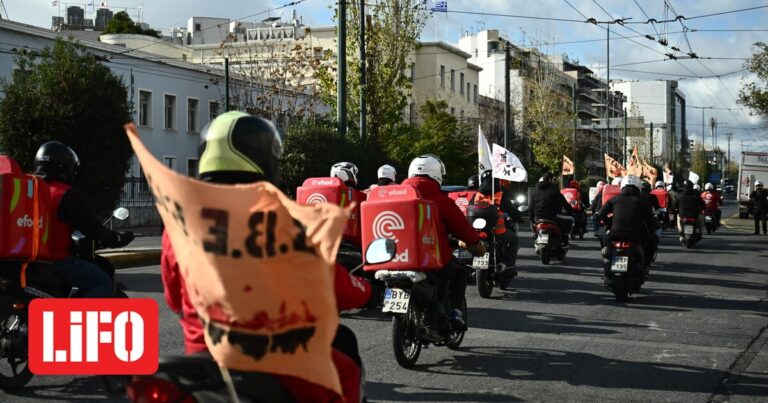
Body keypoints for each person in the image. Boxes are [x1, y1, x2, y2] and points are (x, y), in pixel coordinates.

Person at [160, 111, 369, 403]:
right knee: (344, 373)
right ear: (262, 159)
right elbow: (333, 285)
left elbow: (173, 298)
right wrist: (364, 289)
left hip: (202, 357)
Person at [33, 141, 133, 297]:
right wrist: (115, 238)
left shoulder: (28, 188)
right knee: (102, 282)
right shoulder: (63, 193)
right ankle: (71, 319)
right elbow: (91, 227)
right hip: (56, 261)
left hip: (28, 261)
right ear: (64, 166)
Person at [401, 154, 485, 332]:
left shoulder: (395, 197)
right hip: (431, 259)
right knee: (460, 271)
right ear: (436, 174)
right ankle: (455, 314)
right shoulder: (442, 201)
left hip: (394, 257)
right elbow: (464, 231)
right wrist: (476, 245)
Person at [598, 175, 657, 266]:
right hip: (636, 234)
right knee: (652, 240)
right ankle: (646, 264)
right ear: (638, 187)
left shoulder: (614, 199)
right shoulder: (643, 201)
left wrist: (610, 223)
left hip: (615, 234)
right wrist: (653, 228)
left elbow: (601, 214)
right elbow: (650, 219)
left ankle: (606, 260)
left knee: (603, 238)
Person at [470, 170, 520, 276]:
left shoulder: (476, 196)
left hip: (476, 232)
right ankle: (510, 266)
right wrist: (519, 218)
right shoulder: (500, 196)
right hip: (498, 232)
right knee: (514, 240)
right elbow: (513, 212)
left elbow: (468, 211)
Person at [529, 172, 573, 245]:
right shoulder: (555, 191)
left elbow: (530, 207)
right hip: (553, 217)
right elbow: (564, 203)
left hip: (538, 218)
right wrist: (570, 211)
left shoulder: (534, 192)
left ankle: (536, 236)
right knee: (570, 220)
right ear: (550, 179)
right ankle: (564, 239)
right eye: (553, 179)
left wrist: (532, 219)